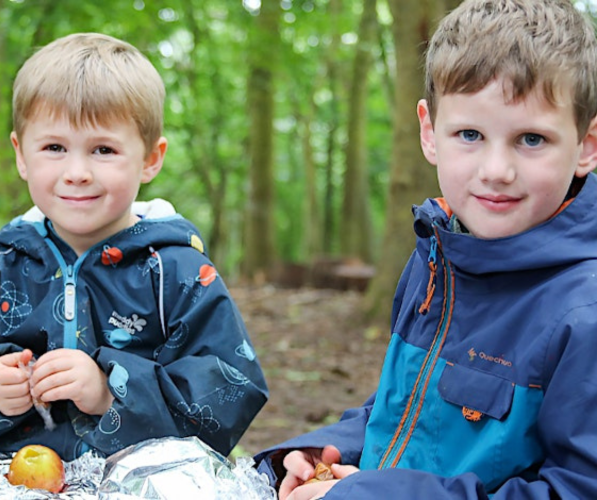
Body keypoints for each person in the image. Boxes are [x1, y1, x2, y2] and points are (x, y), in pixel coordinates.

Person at [255, 0, 597, 498]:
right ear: (429, 132)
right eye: (470, 135)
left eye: (530, 139)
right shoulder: (436, 262)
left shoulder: (581, 313)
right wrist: (323, 453)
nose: (496, 169)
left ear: (587, 144)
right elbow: (401, 415)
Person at [0, 33, 268, 462]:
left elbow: (232, 388)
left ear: (150, 159)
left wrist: (111, 390)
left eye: (103, 149)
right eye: (54, 148)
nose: (77, 172)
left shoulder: (177, 270)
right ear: (21, 154)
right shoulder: (3, 264)